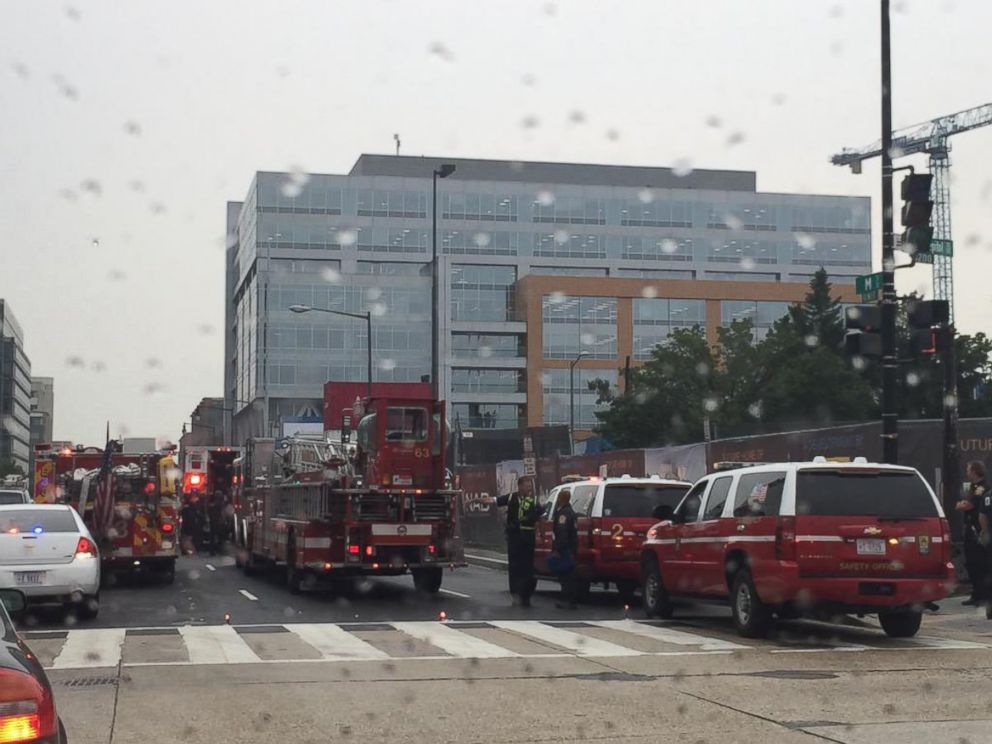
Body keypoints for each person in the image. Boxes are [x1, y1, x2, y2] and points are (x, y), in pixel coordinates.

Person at [493, 475, 540, 607]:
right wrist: (476, 500)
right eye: (526, 485)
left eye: (530, 485)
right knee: (515, 567)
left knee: (528, 568)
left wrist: (540, 534)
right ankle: (516, 594)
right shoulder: (511, 498)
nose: (529, 488)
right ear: (519, 486)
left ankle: (526, 595)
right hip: (515, 537)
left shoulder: (533, 500)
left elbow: (540, 518)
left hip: (528, 537)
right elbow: (494, 500)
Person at [956, 461, 989, 606]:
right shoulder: (973, 487)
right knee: (971, 563)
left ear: (975, 471)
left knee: (979, 563)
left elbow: (967, 505)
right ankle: (977, 594)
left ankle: (982, 595)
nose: (967, 472)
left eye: (969, 470)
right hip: (971, 529)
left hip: (978, 531)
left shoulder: (981, 487)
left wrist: (961, 505)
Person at [551, 488, 579, 610]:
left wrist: (557, 549)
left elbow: (562, 533)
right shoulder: (571, 512)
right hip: (571, 548)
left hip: (565, 549)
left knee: (565, 577)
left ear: (561, 499)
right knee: (571, 576)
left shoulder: (563, 514)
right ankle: (572, 600)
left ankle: (567, 600)